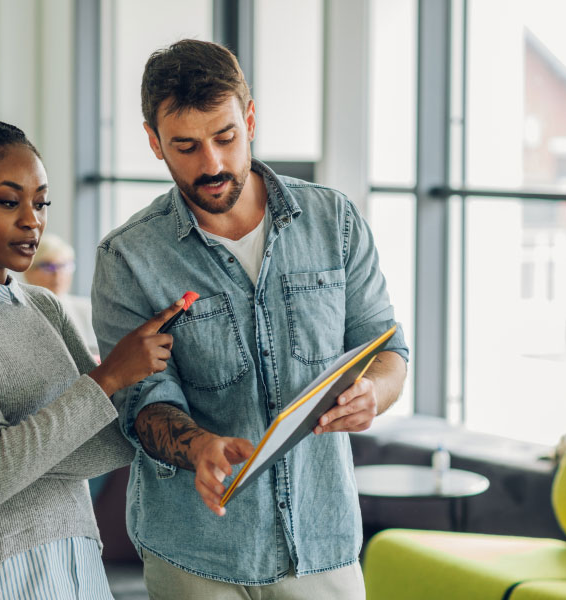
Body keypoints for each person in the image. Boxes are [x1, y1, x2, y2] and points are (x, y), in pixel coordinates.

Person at [91, 39, 409, 599]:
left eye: (225, 137)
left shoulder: (334, 220)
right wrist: (197, 447)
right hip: (196, 551)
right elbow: (142, 404)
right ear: (153, 140)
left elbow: (386, 348)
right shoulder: (129, 258)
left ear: (251, 118)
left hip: (321, 540)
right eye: (185, 146)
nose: (211, 164)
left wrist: (374, 393)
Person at [0, 119, 185, 600]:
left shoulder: (46, 307)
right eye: (10, 201)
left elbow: (112, 446)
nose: (32, 219)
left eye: (41, 202)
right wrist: (108, 376)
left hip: (75, 559)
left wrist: (1, 455)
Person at [25, 233, 100, 358]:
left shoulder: (89, 311)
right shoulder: (14, 313)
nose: (57, 274)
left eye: (64, 266)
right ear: (28, 271)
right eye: (48, 266)